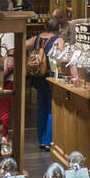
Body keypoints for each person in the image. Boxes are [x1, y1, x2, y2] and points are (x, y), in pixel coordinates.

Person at [28, 17, 61, 151]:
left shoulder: (37, 38)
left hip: (38, 76)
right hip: (50, 77)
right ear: (58, 28)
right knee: (51, 109)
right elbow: (59, 58)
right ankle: (48, 141)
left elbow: (22, 44)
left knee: (42, 107)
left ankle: (41, 139)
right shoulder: (58, 40)